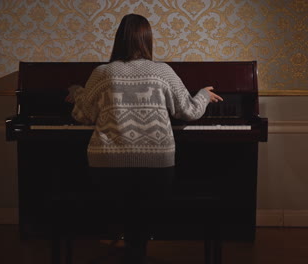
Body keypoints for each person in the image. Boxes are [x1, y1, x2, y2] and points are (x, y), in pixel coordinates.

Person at [66, 13, 223, 264]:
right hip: (157, 168)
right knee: (144, 203)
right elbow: (189, 112)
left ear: (118, 39)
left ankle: (130, 248)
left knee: (122, 202)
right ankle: (136, 249)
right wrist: (203, 94)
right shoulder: (163, 72)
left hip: (107, 168)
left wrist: (77, 92)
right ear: (147, 40)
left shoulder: (102, 73)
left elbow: (83, 115)